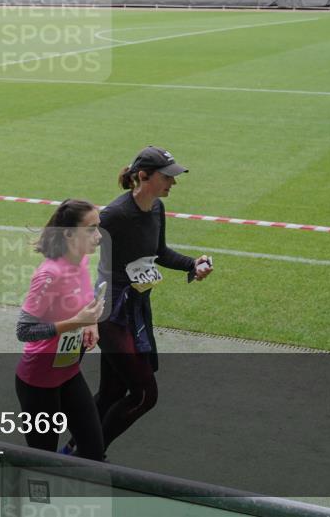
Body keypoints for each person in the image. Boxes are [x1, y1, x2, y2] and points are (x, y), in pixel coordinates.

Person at [92, 146, 213, 453]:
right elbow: (77, 249)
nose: (173, 183)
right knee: (145, 394)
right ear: (143, 176)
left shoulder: (156, 208)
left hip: (136, 311)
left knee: (112, 390)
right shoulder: (114, 215)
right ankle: (90, 453)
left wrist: (191, 264)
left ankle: (75, 449)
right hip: (110, 314)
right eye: (167, 177)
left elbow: (158, 253)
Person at [14, 199, 106, 460]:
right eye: (91, 229)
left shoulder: (82, 262)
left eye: (99, 227)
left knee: (93, 450)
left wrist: (91, 323)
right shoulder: (48, 274)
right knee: (43, 460)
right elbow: (24, 330)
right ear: (68, 234)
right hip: (38, 383)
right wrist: (76, 322)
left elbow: (87, 298)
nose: (99, 236)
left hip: (68, 373)